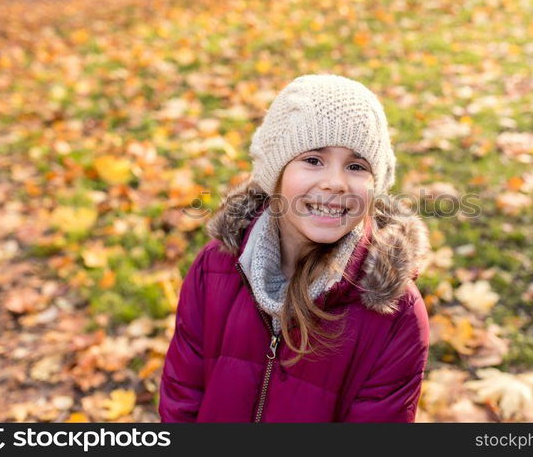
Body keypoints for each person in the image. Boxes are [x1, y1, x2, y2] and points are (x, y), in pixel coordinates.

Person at [158, 74, 431, 422]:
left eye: (356, 166)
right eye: (313, 160)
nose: (335, 182)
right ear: (276, 173)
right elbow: (182, 394)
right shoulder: (215, 268)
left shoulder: (395, 313)